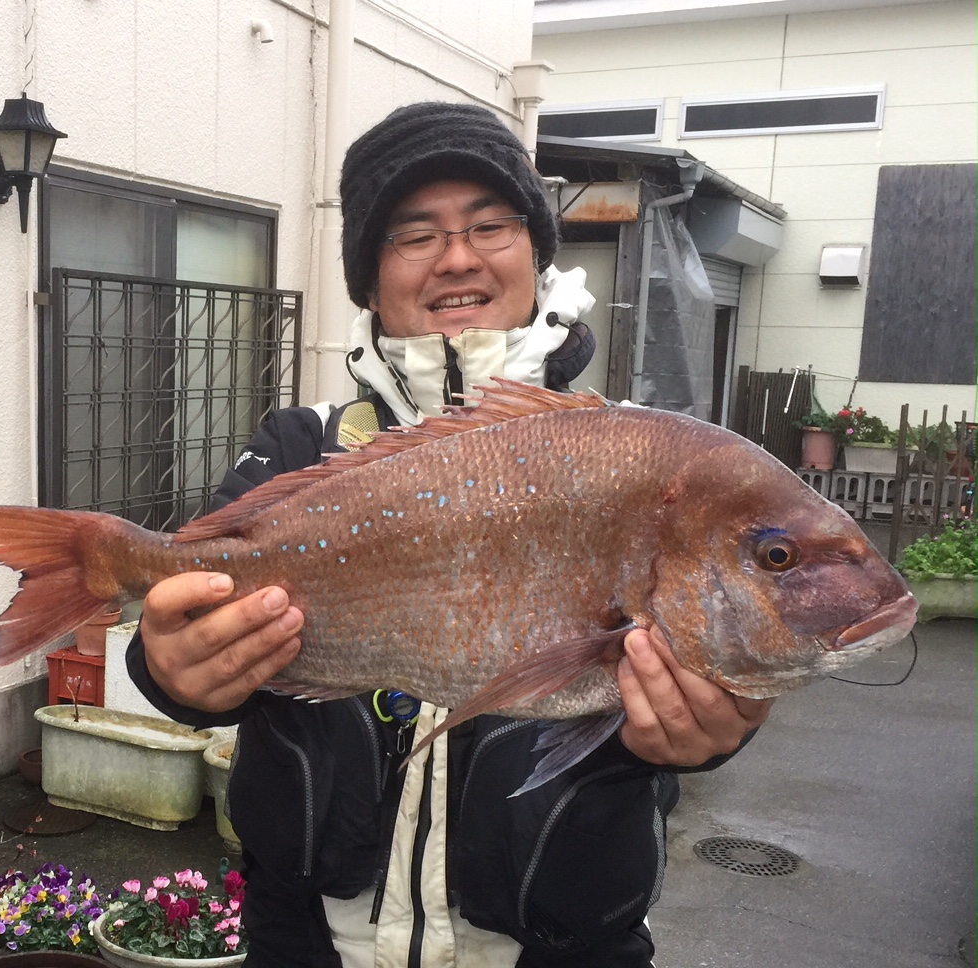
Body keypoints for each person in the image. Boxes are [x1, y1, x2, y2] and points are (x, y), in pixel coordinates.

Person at [126, 101, 774, 967]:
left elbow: (683, 680)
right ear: (370, 276)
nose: (459, 257)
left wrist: (707, 731)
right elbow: (190, 619)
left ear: (537, 254)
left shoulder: (628, 455)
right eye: (415, 234)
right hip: (311, 939)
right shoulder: (299, 447)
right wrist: (171, 671)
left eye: (491, 224)